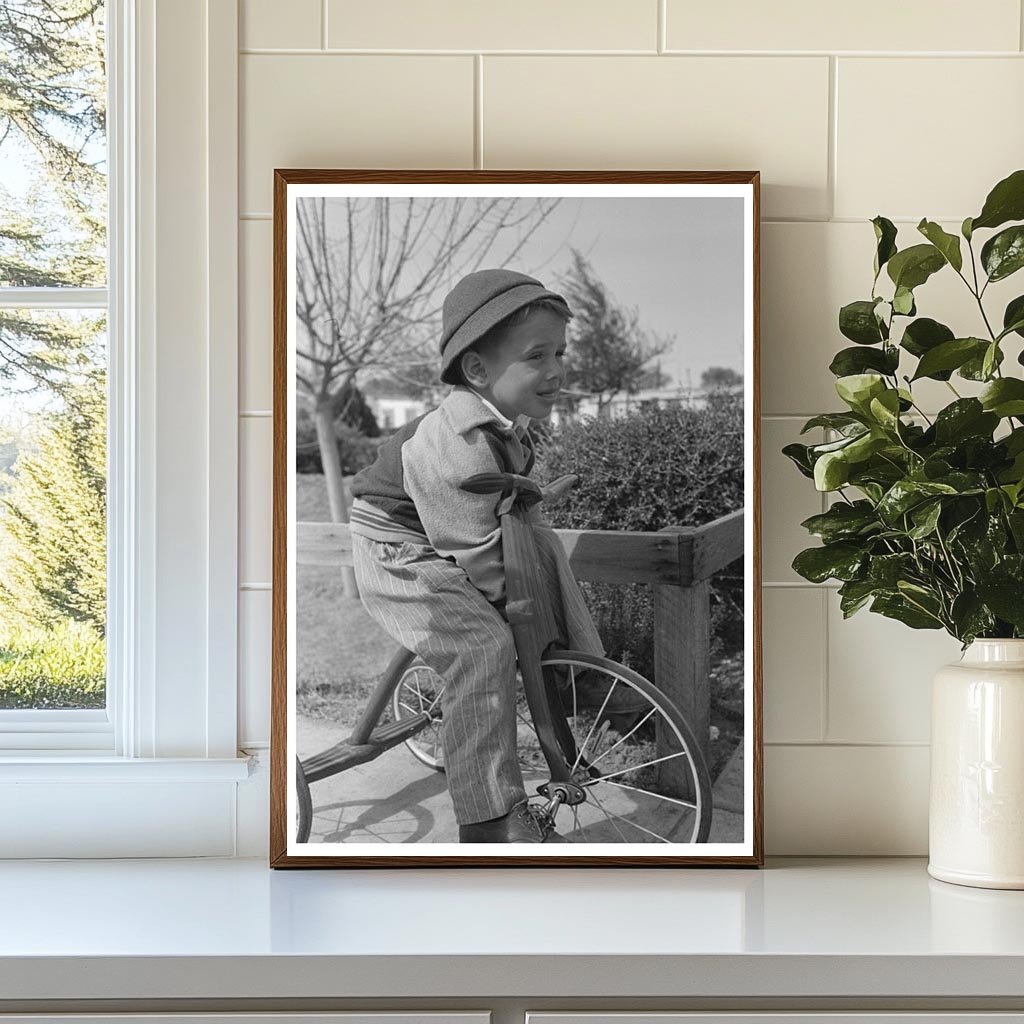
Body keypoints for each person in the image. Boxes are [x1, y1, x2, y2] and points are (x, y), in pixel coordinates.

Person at [348, 267, 606, 843]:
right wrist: (519, 615)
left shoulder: (508, 427)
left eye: (560, 352)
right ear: (478, 369)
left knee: (545, 554)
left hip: (438, 536)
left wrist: (542, 596)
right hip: (397, 551)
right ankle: (489, 817)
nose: (557, 370)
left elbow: (508, 524)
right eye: (537, 356)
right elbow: (470, 547)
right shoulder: (457, 445)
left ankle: (579, 680)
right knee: (485, 644)